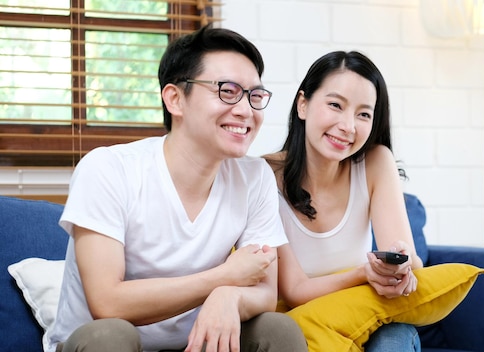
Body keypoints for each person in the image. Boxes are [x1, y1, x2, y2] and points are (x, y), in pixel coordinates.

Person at [45, 26, 308, 352]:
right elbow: (107, 304)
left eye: (254, 96)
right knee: (109, 337)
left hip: (195, 344)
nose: (245, 110)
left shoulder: (254, 177)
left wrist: (229, 294)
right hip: (104, 342)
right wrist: (221, 278)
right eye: (227, 91)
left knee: (277, 329)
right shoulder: (109, 169)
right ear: (175, 99)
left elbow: (266, 294)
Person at [263, 51, 424, 351]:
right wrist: (364, 273)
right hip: (304, 326)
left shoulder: (375, 161)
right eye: (335, 105)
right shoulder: (264, 176)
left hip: (367, 319)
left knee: (395, 337)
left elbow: (410, 258)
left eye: (363, 114)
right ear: (303, 105)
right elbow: (295, 291)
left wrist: (402, 262)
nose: (348, 126)